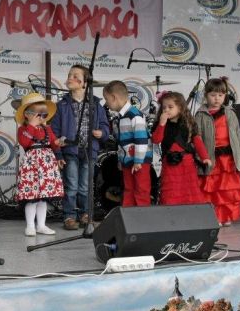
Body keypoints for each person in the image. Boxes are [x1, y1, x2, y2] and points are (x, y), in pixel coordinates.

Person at [51, 65, 110, 230]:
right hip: (70, 151)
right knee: (71, 186)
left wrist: (102, 132)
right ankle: (69, 216)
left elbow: (105, 125)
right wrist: (58, 153)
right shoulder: (61, 105)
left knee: (85, 186)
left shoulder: (96, 104)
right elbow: (54, 132)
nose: (70, 78)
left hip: (89, 150)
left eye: (75, 76)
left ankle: (86, 215)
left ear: (85, 83)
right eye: (69, 75)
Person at [195, 77, 240, 226]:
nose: (217, 98)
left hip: (228, 159)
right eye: (213, 95)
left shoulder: (230, 113)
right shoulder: (200, 114)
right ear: (206, 95)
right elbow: (196, 137)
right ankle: (215, 217)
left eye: (220, 95)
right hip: (212, 158)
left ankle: (226, 216)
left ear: (225, 96)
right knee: (213, 189)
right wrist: (201, 156)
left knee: (227, 190)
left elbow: (237, 133)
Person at [14, 92, 63, 236]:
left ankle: (41, 225)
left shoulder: (47, 129)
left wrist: (59, 143)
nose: (42, 117)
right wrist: (31, 125)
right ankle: (30, 226)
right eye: (38, 114)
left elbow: (53, 143)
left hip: (47, 164)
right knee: (32, 197)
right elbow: (25, 142)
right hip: (32, 165)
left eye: (44, 114)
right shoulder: (23, 129)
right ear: (27, 114)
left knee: (43, 198)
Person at [152, 91, 211, 205]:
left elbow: (197, 141)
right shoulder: (160, 124)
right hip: (169, 163)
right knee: (171, 191)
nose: (166, 110)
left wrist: (205, 157)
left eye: (170, 107)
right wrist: (161, 124)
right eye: (164, 107)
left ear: (180, 108)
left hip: (186, 162)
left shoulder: (188, 123)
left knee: (189, 191)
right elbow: (156, 140)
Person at [102, 80, 152, 207]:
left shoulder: (134, 115)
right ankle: (128, 214)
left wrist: (138, 160)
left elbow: (141, 139)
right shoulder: (120, 118)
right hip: (127, 161)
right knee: (128, 188)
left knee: (141, 189)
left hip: (139, 161)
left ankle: (142, 214)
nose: (106, 103)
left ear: (114, 97)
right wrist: (121, 160)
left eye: (107, 99)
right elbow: (121, 143)